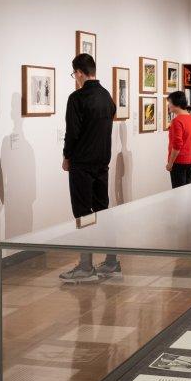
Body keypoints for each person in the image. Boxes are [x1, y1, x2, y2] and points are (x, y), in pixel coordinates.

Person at [60, 53, 120, 283]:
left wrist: (67, 156)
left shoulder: (77, 98)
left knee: (83, 214)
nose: (75, 78)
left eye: (74, 74)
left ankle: (86, 266)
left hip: (82, 164)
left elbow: (72, 133)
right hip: (101, 163)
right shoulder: (107, 97)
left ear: (79, 73)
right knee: (103, 211)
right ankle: (112, 261)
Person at [166, 91, 191, 188]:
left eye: (170, 102)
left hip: (179, 161)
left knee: (178, 192)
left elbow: (177, 145)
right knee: (186, 191)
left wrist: (170, 163)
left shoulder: (177, 121)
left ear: (177, 104)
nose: (169, 105)